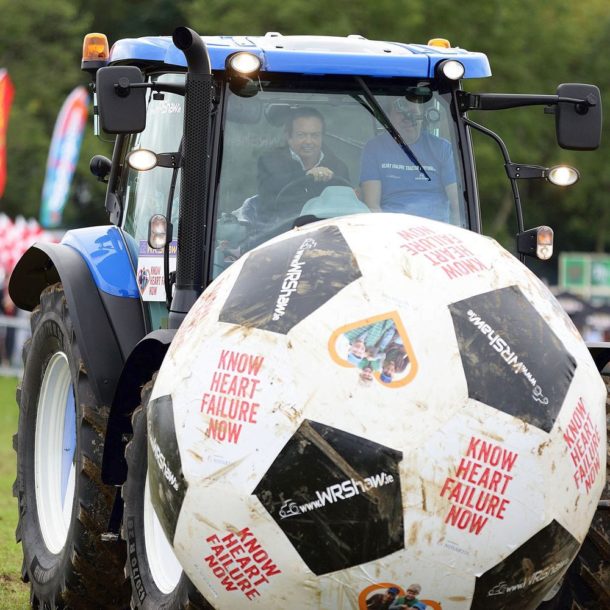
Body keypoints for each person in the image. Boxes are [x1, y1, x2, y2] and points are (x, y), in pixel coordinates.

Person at [360, 97, 459, 223]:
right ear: (388, 117)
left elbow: (457, 204)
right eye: (401, 112)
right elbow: (372, 206)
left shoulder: (442, 149)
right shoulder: (374, 148)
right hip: (391, 228)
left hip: (436, 231)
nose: (407, 119)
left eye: (412, 113)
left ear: (421, 114)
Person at [257, 107, 350, 219]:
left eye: (315, 135)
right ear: (289, 137)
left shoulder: (338, 167)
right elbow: (269, 202)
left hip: (328, 231)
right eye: (301, 135)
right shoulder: (269, 162)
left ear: (322, 137)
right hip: (282, 230)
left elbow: (346, 208)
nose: (308, 141)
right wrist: (307, 175)